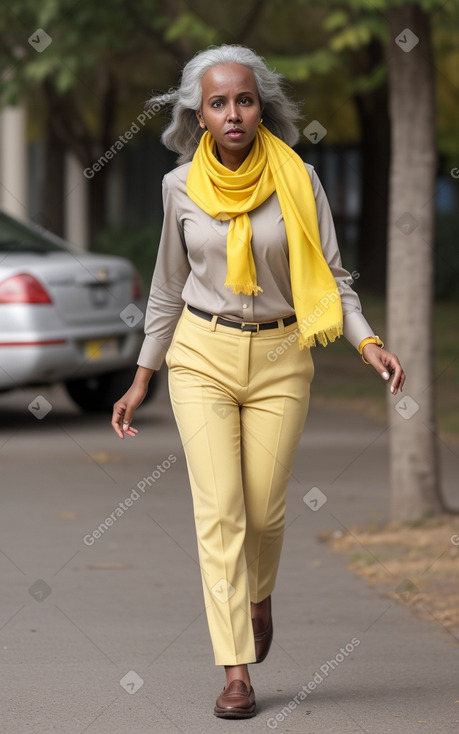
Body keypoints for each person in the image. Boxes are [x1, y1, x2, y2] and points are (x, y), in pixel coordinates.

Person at [111, 44, 405, 719]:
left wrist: (367, 340)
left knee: (264, 510)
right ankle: (235, 668)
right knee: (219, 513)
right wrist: (141, 377)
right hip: (201, 356)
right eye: (218, 103)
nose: (233, 112)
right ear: (200, 114)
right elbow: (167, 287)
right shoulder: (178, 186)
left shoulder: (297, 177)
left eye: (243, 99)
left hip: (279, 359)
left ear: (261, 104)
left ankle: (258, 592)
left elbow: (331, 277)